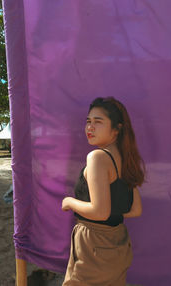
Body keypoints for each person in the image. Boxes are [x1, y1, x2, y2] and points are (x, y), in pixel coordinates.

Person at [61, 97, 145, 286]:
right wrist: (106, 208)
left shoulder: (97, 157)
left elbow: (100, 212)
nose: (90, 127)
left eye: (98, 122)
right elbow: (135, 209)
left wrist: (69, 201)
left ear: (117, 129)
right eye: (88, 122)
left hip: (93, 246)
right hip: (118, 243)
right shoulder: (125, 159)